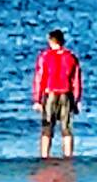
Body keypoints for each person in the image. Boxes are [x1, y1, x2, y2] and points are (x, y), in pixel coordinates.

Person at [32, 28, 83, 159]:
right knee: (67, 128)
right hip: (66, 94)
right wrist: (76, 100)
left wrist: (37, 99)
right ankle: (68, 156)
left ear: (50, 41)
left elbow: (40, 78)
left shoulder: (45, 56)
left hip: (50, 94)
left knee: (47, 127)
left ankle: (44, 156)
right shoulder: (71, 57)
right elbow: (76, 80)